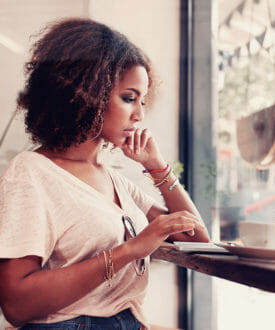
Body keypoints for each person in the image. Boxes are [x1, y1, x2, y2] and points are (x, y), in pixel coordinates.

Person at [0, 18, 210, 330]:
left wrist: (157, 167)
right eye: (129, 98)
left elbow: (197, 238)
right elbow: (16, 304)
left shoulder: (114, 180)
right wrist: (130, 250)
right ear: (88, 94)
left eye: (142, 99)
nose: (139, 114)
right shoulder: (31, 173)